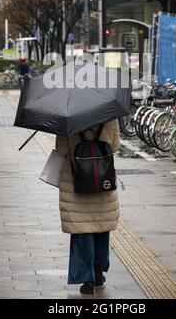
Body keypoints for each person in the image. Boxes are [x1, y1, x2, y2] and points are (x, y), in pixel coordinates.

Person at [55, 119, 120, 295]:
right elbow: (114, 146)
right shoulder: (110, 115)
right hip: (102, 181)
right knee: (101, 228)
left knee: (82, 232)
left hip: (77, 183)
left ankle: (87, 279)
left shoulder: (67, 118)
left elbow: (61, 150)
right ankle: (98, 272)